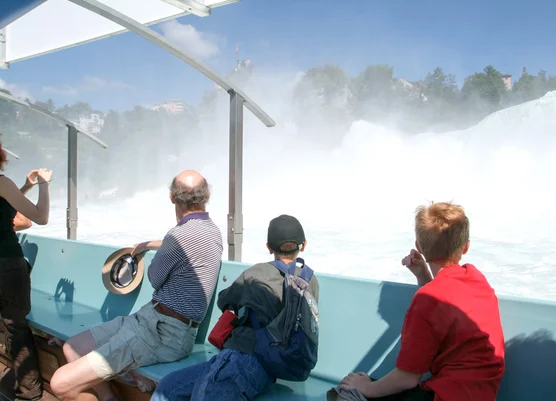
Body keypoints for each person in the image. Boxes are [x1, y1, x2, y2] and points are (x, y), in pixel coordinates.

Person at [50, 170, 224, 401]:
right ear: (206, 196)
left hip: (162, 335)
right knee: (73, 347)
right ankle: (109, 398)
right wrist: (148, 244)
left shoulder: (178, 236)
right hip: (150, 322)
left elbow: (155, 277)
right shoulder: (212, 231)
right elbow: (182, 244)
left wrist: (157, 249)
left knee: (60, 384)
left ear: (172, 197)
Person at [338, 202, 505, 401]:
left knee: (346, 393)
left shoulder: (426, 301)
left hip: (447, 396)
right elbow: (446, 304)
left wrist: (366, 388)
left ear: (418, 246)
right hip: (483, 394)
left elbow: (407, 378)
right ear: (466, 246)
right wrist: (424, 277)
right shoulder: (477, 279)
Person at [149, 214, 319, 401]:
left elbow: (225, 300)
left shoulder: (257, 273)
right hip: (270, 369)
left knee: (167, 392)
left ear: (269, 248)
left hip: (241, 361)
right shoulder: (309, 281)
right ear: (303, 245)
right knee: (169, 387)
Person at [0, 140, 52, 401]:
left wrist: (26, 186)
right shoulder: (2, 182)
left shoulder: (5, 186)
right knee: (16, 327)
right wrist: (43, 184)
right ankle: (29, 393)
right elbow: (40, 217)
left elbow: (4, 204)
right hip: (6, 264)